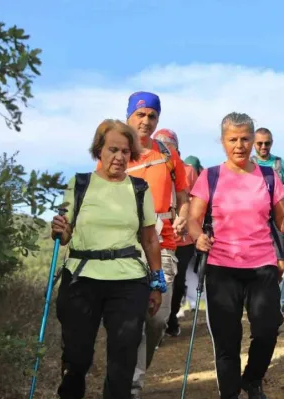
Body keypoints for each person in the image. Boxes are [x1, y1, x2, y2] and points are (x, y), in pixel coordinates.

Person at [187, 112, 284, 399]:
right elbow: (193, 219)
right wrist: (197, 236)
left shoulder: (268, 175)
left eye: (245, 139)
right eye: (232, 139)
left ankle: (252, 379)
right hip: (221, 267)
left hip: (261, 265)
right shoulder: (210, 176)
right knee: (227, 341)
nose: (239, 145)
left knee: (267, 327)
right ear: (223, 141)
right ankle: (229, 394)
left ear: (253, 140)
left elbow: (280, 222)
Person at [51, 119, 166, 399]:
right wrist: (61, 231)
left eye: (125, 151)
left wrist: (157, 281)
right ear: (99, 151)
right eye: (113, 149)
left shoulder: (139, 189)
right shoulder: (79, 184)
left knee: (124, 356)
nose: (119, 157)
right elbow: (65, 236)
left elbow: (149, 239)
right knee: (77, 357)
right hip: (82, 277)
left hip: (128, 280)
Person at [96, 92, 190, 399]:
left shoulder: (166, 154)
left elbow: (183, 195)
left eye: (152, 116)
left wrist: (183, 217)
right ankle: (130, 388)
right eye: (140, 115)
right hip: (123, 246)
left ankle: (129, 379)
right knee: (131, 320)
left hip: (162, 245)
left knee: (157, 319)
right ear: (128, 117)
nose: (146, 121)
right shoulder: (115, 153)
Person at [152, 128, 199, 338]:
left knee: (177, 281)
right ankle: (157, 321)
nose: (165, 148)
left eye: (169, 145)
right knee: (157, 277)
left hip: (183, 237)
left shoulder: (188, 170)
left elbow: (197, 199)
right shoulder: (151, 166)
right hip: (156, 233)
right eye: (160, 145)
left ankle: (170, 318)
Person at [251, 127, 284, 292]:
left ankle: (271, 291)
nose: (263, 147)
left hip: (277, 218)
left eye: (267, 143)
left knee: (280, 265)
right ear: (254, 144)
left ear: (272, 143)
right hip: (255, 219)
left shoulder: (280, 164)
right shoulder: (249, 164)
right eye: (259, 143)